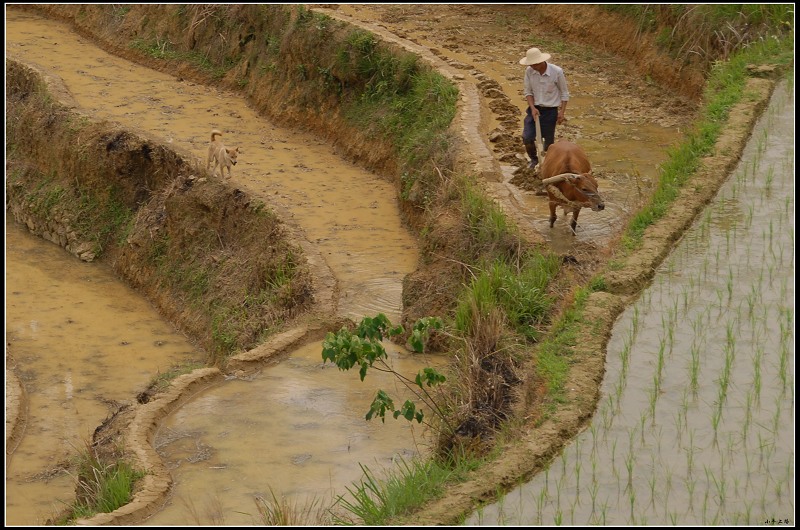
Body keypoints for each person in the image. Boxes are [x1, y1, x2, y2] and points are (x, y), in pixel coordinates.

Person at [519, 47, 570, 170]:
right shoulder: (529, 71)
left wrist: (561, 112)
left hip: (550, 111)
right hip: (534, 109)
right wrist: (532, 108)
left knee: (548, 144)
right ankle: (534, 160)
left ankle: (548, 164)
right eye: (530, 64)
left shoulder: (556, 72)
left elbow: (564, 93)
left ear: (540, 62)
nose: (532, 67)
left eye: (534, 65)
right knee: (527, 137)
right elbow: (528, 92)